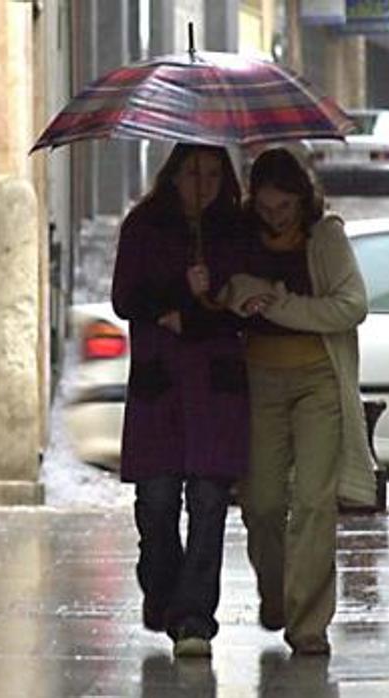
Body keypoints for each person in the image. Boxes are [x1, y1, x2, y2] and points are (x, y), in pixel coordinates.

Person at [218, 146, 373, 656]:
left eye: (283, 208)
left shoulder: (325, 237)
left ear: (301, 200)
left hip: (317, 382)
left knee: (313, 502)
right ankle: (277, 593)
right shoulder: (239, 237)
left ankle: (308, 624)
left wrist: (279, 304)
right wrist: (237, 292)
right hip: (260, 379)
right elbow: (225, 298)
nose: (274, 217)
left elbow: (351, 307)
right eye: (265, 208)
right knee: (262, 503)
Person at [111, 143, 251, 658]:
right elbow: (125, 297)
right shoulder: (143, 227)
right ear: (173, 175)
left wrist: (196, 311)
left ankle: (194, 617)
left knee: (210, 502)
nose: (205, 183)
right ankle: (162, 590)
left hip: (214, 389)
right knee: (158, 501)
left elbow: (244, 306)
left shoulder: (234, 230)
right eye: (194, 173)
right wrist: (177, 291)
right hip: (160, 386)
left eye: (214, 173)